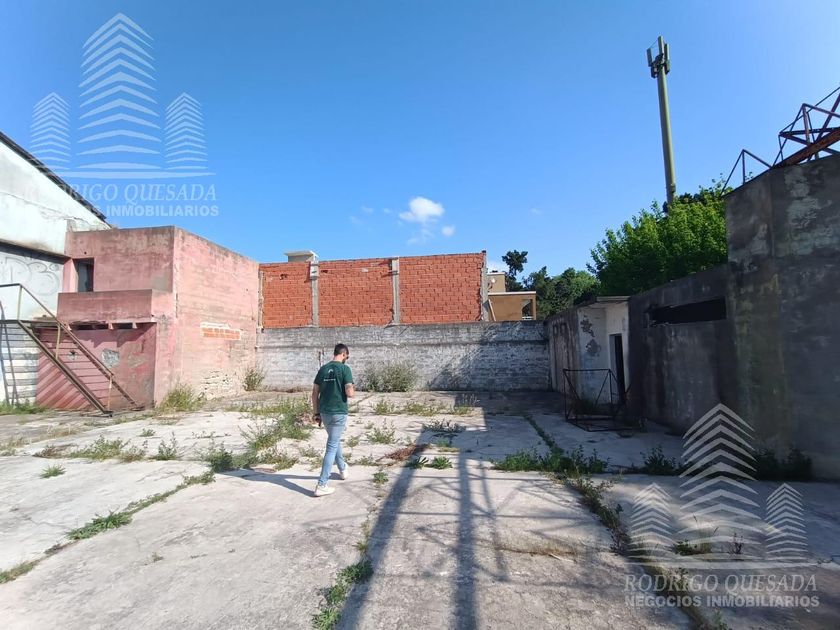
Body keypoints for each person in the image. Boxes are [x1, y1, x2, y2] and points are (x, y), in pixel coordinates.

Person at [311, 343, 355, 497]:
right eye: (346, 356)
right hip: (338, 413)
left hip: (325, 413)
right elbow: (349, 393)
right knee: (331, 446)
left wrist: (316, 413)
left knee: (334, 441)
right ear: (343, 354)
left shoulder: (323, 369)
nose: (346, 359)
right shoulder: (345, 369)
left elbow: (314, 393)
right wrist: (352, 388)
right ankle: (322, 484)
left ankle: (342, 468)